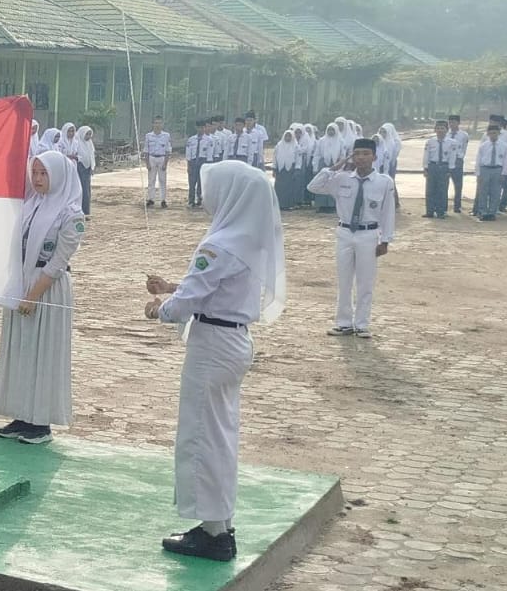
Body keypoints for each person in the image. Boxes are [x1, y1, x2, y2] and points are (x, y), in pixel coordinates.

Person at [142, 159, 285, 562]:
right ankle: (218, 523)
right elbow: (217, 289)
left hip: (213, 344)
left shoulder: (219, 244)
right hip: (232, 340)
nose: (208, 196)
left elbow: (187, 302)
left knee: (202, 435)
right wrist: (173, 286)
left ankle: (212, 535)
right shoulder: (245, 240)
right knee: (219, 435)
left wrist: (161, 308)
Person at [0, 150, 84, 446]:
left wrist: (33, 296)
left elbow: (58, 263)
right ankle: (21, 414)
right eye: (35, 173)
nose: (38, 179)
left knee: (43, 352)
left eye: (44, 174)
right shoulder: (32, 205)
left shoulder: (71, 214)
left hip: (47, 287)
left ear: (59, 175)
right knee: (21, 350)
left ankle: (40, 422)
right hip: (23, 282)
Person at [308, 138, 396, 339]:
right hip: (345, 233)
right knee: (344, 280)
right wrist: (336, 166)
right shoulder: (342, 179)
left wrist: (386, 240)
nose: (361, 158)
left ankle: (362, 324)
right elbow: (313, 186)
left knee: (365, 281)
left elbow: (388, 213)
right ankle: (344, 323)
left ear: (374, 157)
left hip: (368, 234)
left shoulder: (384, 182)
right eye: (357, 154)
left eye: (366, 154)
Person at [472, 125, 507, 221]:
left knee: (495, 192)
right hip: (485, 169)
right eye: (491, 133)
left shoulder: (504, 145)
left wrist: (503, 173)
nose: (493, 135)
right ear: (487, 134)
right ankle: (482, 212)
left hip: (497, 169)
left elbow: (506, 160)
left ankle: (492, 212)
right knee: (483, 191)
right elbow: (478, 160)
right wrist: (478, 173)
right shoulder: (484, 146)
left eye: (495, 133)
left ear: (498, 134)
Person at [423, 120, 457, 219]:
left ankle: (440, 211)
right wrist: (425, 168)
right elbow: (426, 155)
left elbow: (452, 156)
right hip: (433, 166)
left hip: (444, 167)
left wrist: (450, 169)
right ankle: (429, 211)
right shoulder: (430, 142)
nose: (440, 130)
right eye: (438, 128)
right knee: (430, 190)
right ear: (435, 130)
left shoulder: (452, 143)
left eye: (442, 128)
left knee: (442, 190)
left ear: (447, 130)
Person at [311, 124, 342, 213]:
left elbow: (342, 155)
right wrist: (315, 166)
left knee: (333, 184)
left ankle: (332, 206)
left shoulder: (340, 141)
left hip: (335, 165)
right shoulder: (321, 141)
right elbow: (317, 154)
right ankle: (321, 205)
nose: (331, 132)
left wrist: (341, 166)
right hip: (323, 164)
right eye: (329, 130)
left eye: (333, 130)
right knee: (322, 183)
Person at [143, 116, 171, 208]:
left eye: (159, 123)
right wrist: (147, 163)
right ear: (153, 124)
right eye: (156, 123)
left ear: (162, 124)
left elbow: (167, 150)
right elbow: (146, 150)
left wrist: (165, 163)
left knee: (162, 180)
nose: (157, 125)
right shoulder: (148, 136)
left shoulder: (166, 135)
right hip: (152, 158)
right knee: (151, 180)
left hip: (162, 158)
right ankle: (151, 199)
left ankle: (163, 200)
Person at [272, 129, 303, 210]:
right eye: (286, 136)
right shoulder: (279, 145)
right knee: (279, 187)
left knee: (289, 188)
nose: (288, 137)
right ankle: (279, 204)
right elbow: (274, 157)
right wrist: (274, 168)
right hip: (280, 170)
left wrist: (297, 168)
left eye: (289, 136)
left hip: (290, 169)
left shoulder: (296, 146)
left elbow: (298, 159)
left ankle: (287, 205)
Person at [185, 120, 213, 209]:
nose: (200, 129)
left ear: (205, 128)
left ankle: (200, 201)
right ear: (196, 128)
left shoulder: (209, 140)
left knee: (201, 183)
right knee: (192, 183)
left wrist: (207, 166)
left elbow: (209, 154)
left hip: (203, 161)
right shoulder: (191, 139)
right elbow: (188, 154)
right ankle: (191, 201)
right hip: (193, 162)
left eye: (202, 127)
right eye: (199, 127)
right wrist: (188, 165)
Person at [447, 115, 470, 213]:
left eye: (454, 122)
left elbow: (464, 148)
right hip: (447, 160)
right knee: (444, 183)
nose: (452, 124)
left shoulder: (464, 135)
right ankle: (443, 205)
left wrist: (460, 157)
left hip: (458, 160)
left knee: (458, 184)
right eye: (450, 122)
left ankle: (457, 205)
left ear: (458, 123)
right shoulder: (446, 134)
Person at [76, 126, 96, 217]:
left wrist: (92, 167)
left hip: (87, 169)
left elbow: (91, 155)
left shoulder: (89, 143)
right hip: (79, 167)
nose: (88, 136)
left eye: (89, 134)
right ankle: (79, 211)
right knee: (81, 190)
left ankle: (86, 211)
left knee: (87, 190)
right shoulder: (77, 142)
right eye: (86, 134)